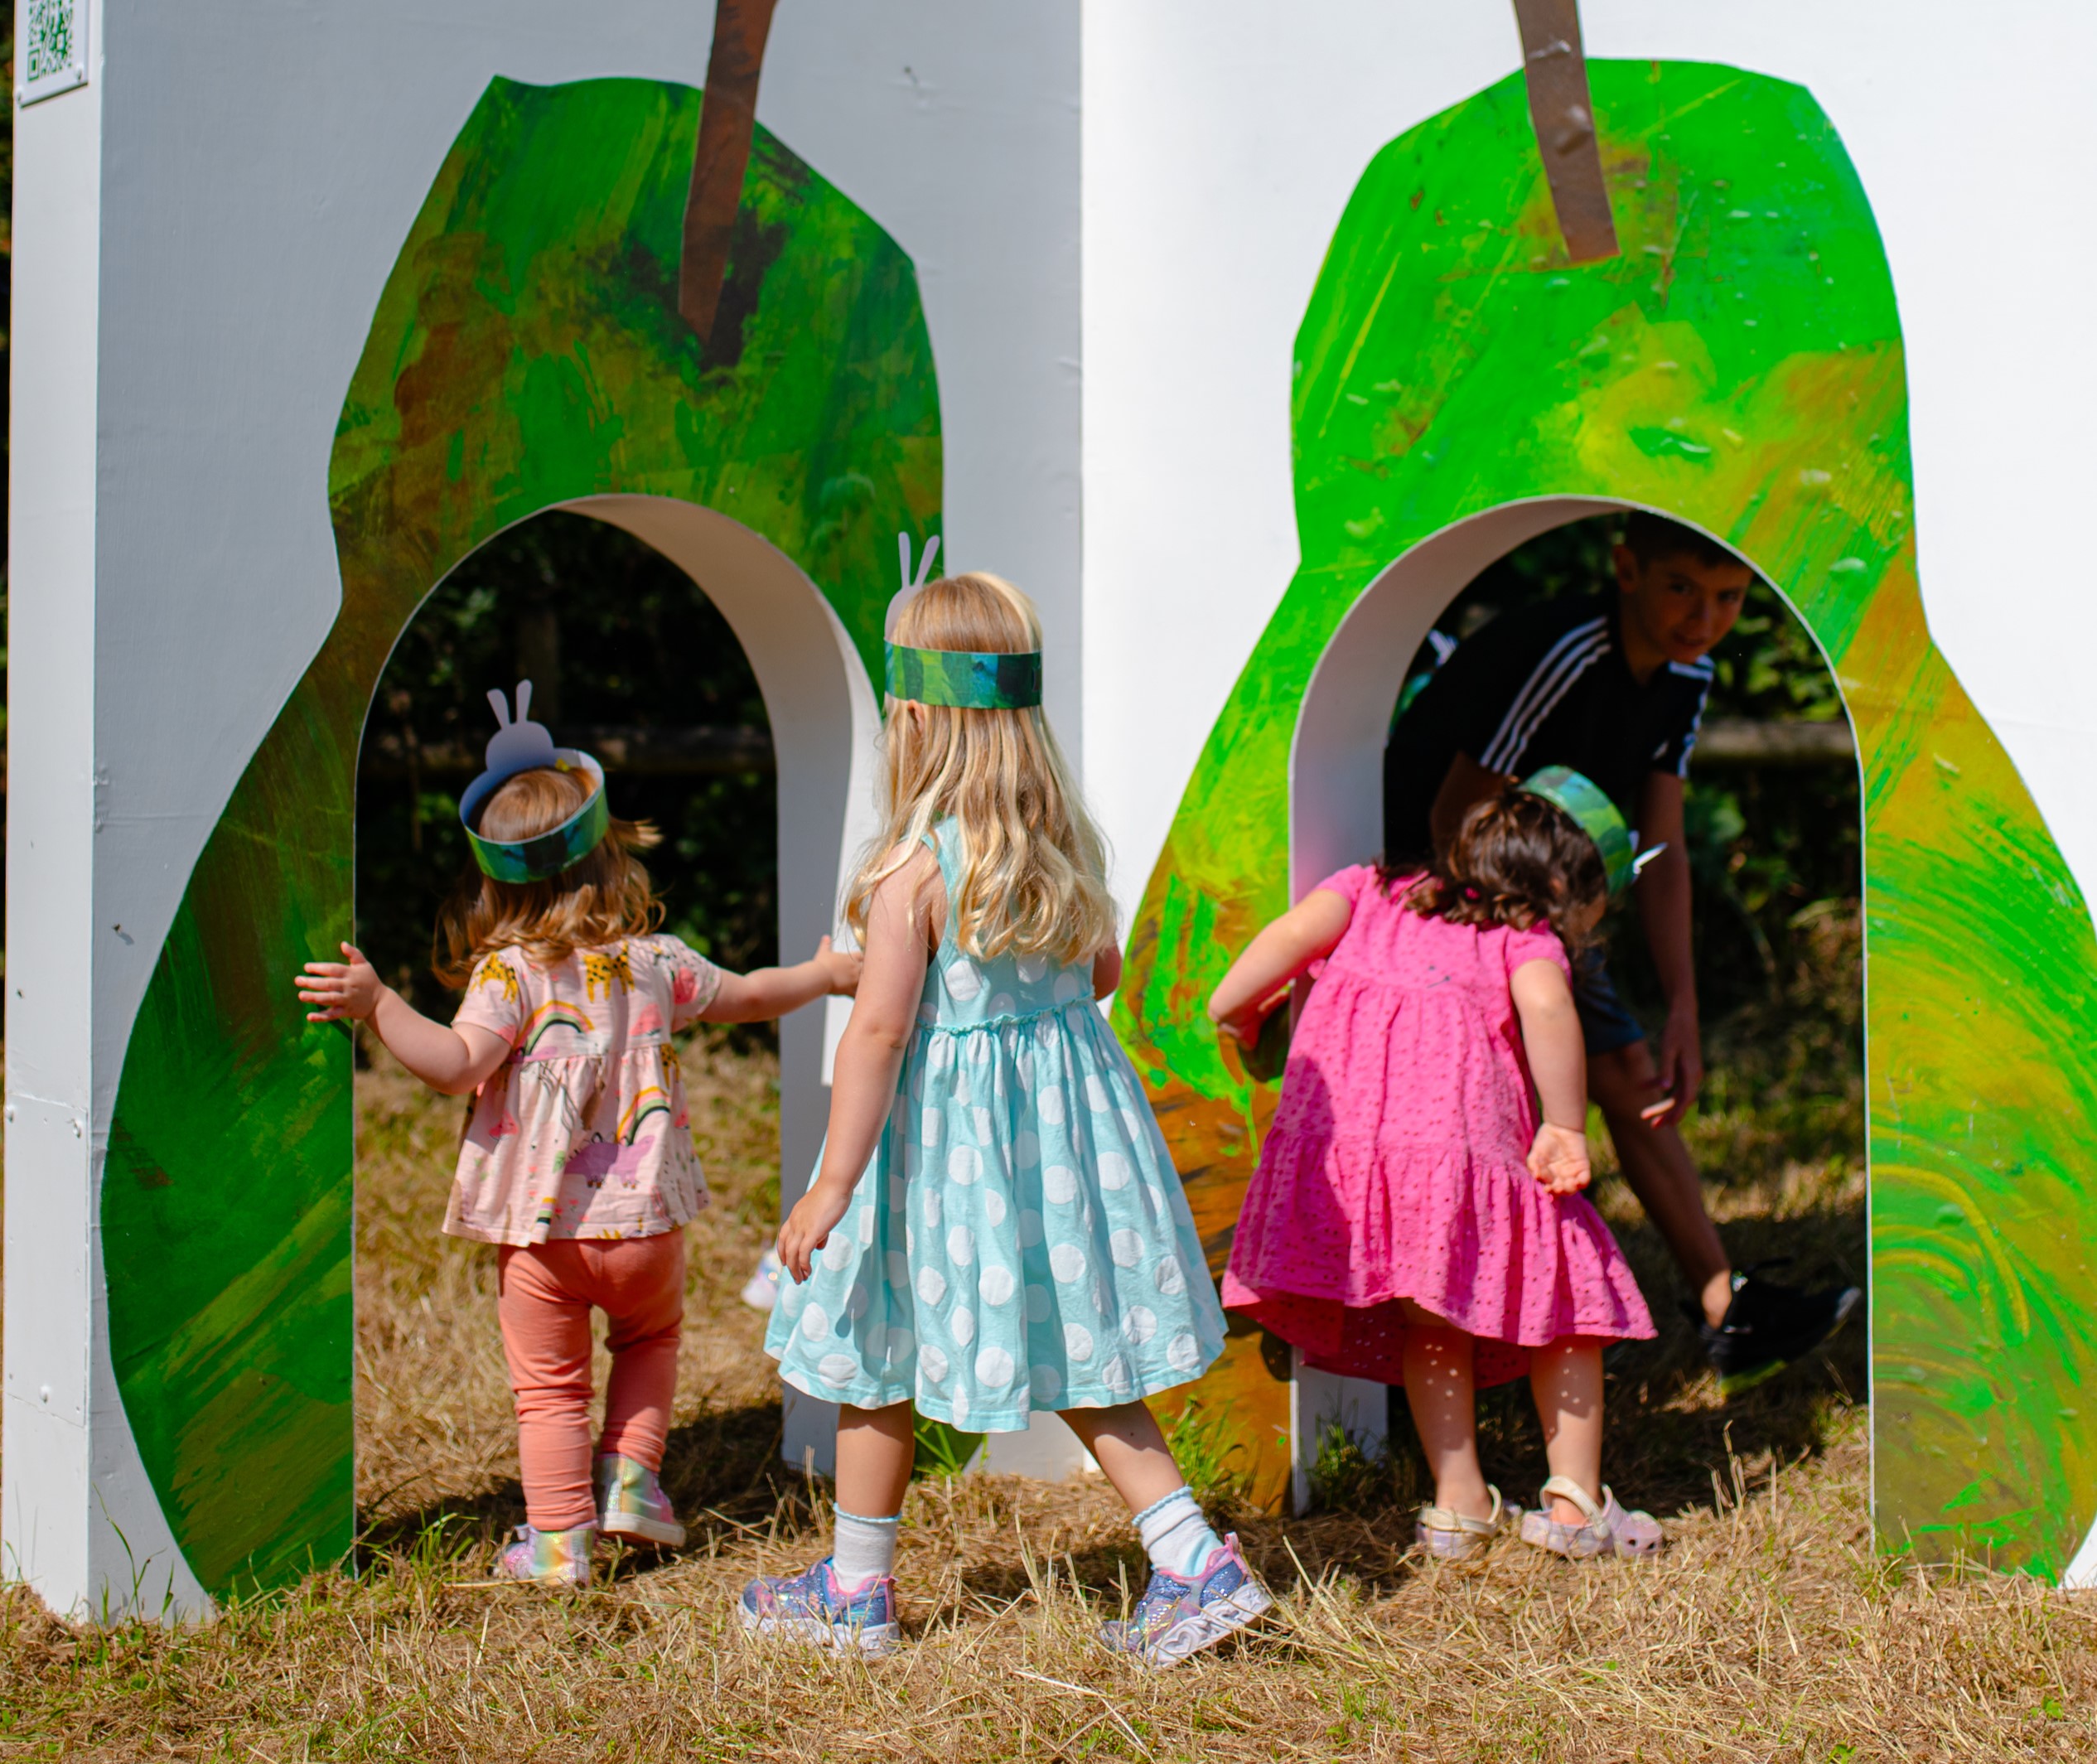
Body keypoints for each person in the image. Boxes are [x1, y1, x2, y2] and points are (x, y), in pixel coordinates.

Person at [743, 569, 1266, 1665]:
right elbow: (1104, 969)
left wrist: (832, 1183)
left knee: (871, 1351)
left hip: (936, 1163)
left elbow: (880, 1036)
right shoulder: (1058, 849)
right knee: (1086, 1365)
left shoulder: (912, 872)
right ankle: (1188, 1557)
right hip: (1056, 1159)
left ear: (917, 722)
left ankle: (857, 1587)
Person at [295, 686, 860, 1588]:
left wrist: (377, 1003)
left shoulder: (506, 976)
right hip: (647, 1229)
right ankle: (632, 1482)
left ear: (495, 879)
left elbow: (452, 1064)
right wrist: (828, 972)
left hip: (545, 1238)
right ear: (609, 857)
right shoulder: (656, 960)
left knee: (550, 1389)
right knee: (650, 1343)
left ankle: (559, 1538)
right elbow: (753, 992)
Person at [1381, 513, 1858, 1392]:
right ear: (1627, 570)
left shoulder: (1688, 672)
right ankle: (1489, 1338)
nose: (1702, 617)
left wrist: (1684, 1006)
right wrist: (1520, 951)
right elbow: (1456, 815)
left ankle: (1726, 1305)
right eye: (1682, 587)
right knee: (1502, 1116)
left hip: (1547, 907)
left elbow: (1664, 845)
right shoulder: (1568, 650)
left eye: (1727, 598)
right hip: (1450, 898)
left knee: (1637, 1072)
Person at [1210, 776, 1662, 1560]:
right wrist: (1561, 1125)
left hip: (1354, 1162)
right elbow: (1550, 1007)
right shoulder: (1524, 937)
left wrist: (1235, 1005)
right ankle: (1573, 1504)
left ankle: (1457, 1506)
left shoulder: (1369, 886)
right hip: (1460, 1153)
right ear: (1562, 886)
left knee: (1431, 1322)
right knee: (1567, 1301)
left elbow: (1287, 937)